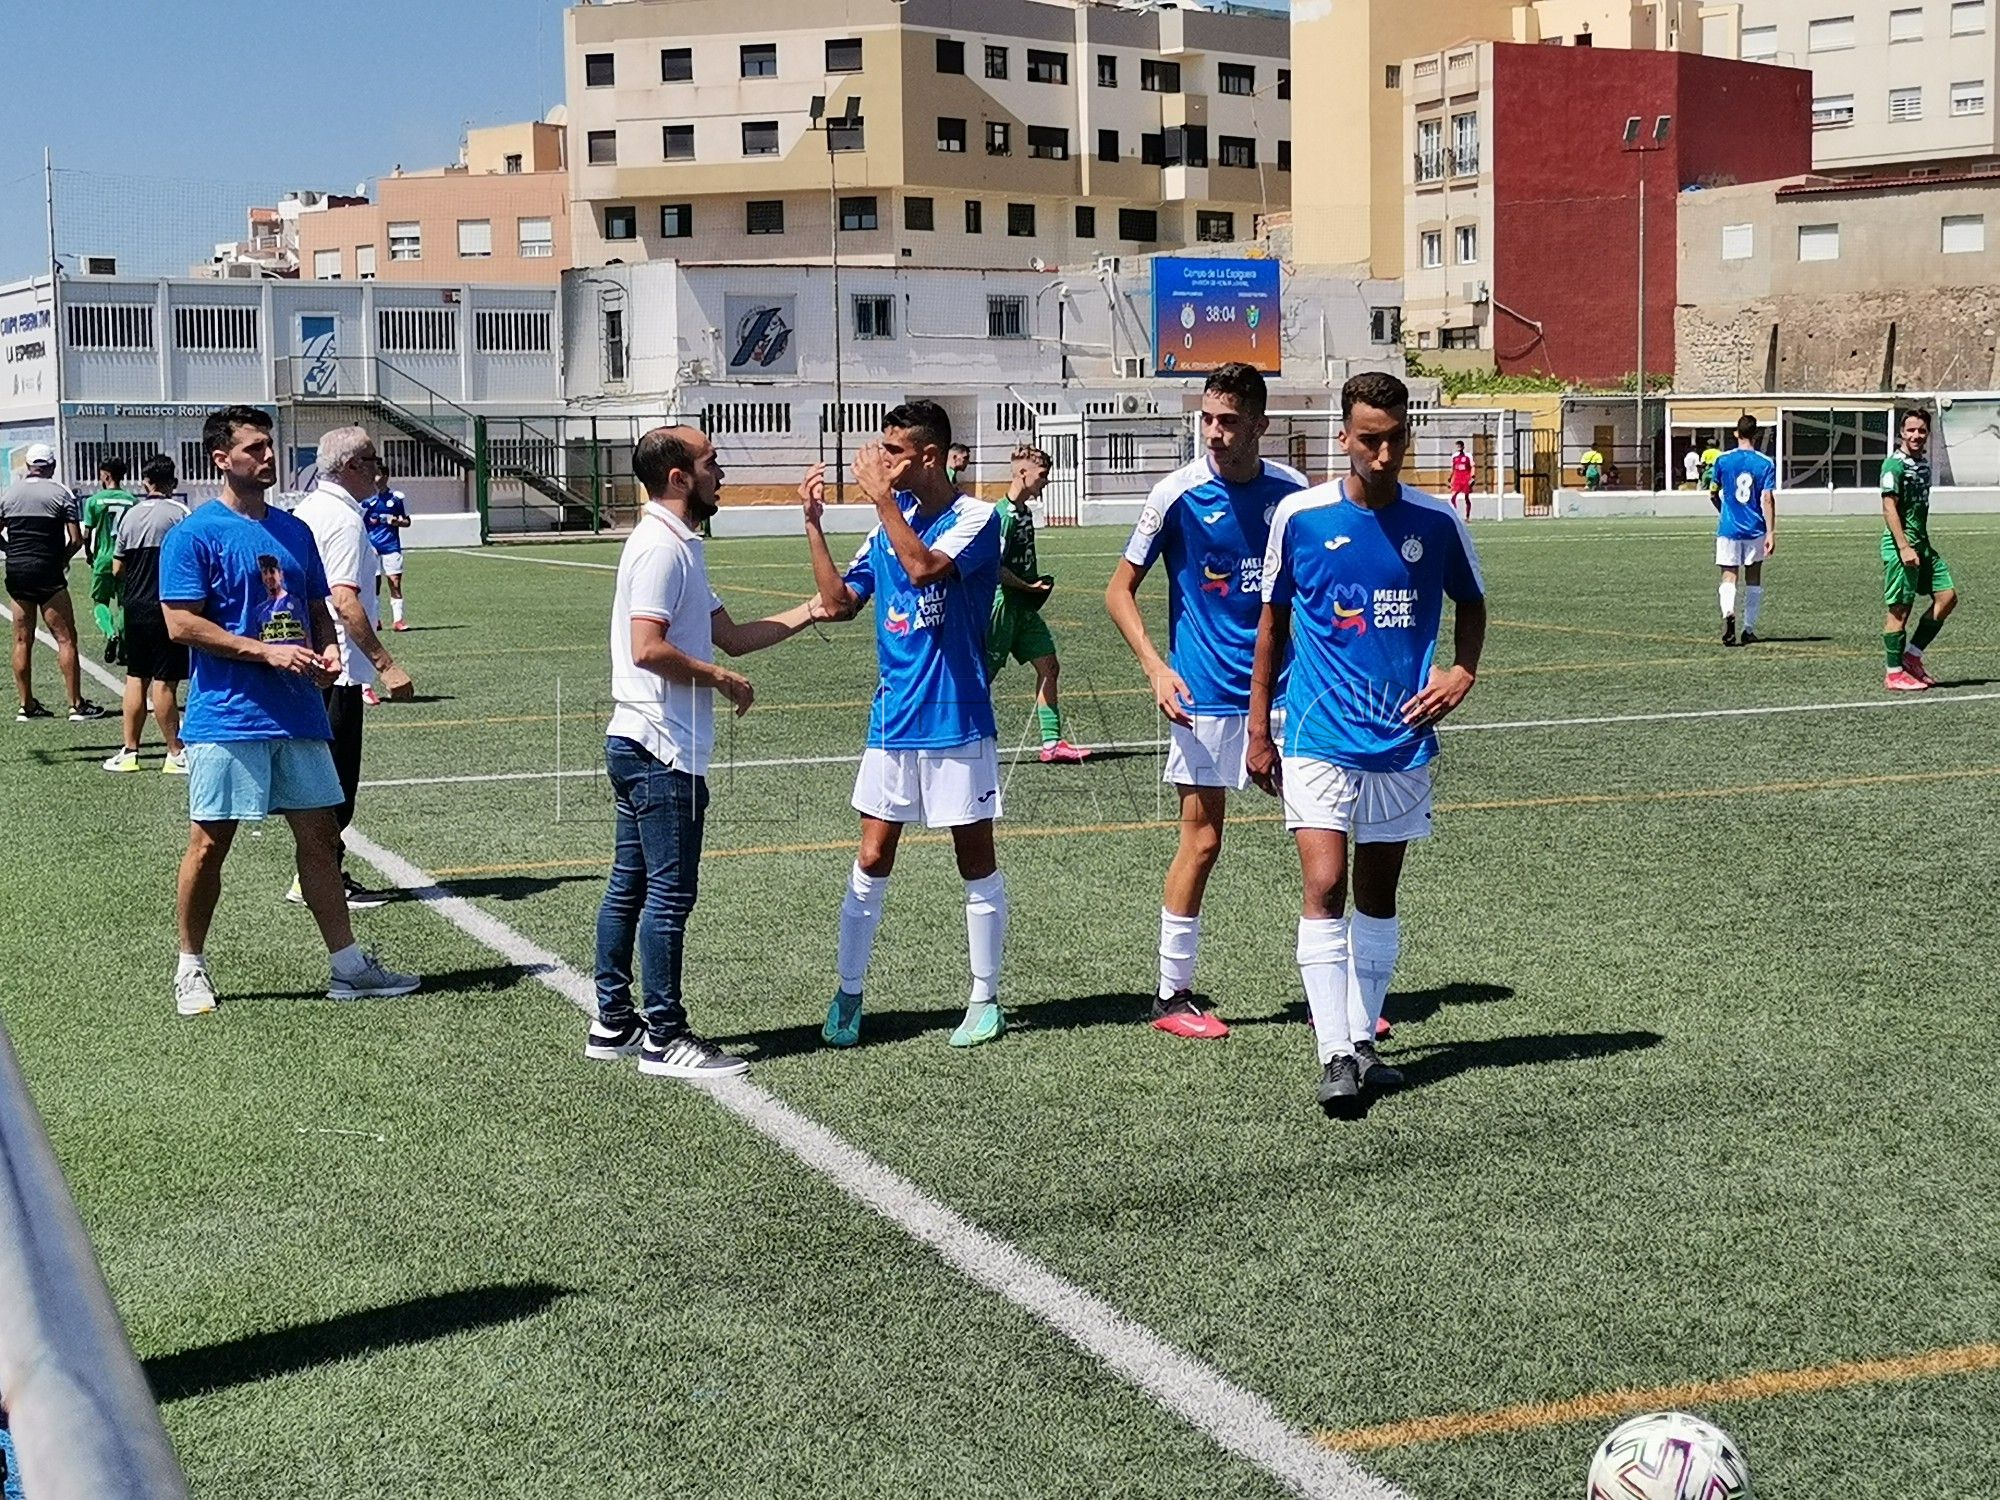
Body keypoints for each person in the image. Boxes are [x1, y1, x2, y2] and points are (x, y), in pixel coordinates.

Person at [1247, 371, 1487, 1119]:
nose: (1382, 454)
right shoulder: (1301, 516)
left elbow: (1472, 604)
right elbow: (1272, 626)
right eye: (1368, 439)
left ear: (1406, 434)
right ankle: (1335, 1053)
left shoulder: (1437, 522)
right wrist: (1259, 728)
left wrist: (1461, 672)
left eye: (1394, 439)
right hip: (1318, 734)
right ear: (1343, 437)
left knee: (1377, 896)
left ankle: (1364, 1042)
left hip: (1402, 740)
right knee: (1324, 887)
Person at [159, 406, 417, 1018]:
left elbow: (315, 603)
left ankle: (348, 967)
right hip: (229, 715)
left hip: (299, 712)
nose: (268, 457)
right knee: (209, 844)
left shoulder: (294, 529)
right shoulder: (195, 533)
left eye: (270, 447)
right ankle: (189, 966)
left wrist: (328, 647)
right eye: (253, 449)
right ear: (221, 459)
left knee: (320, 839)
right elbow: (180, 623)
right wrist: (262, 652)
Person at [586, 426, 825, 1077]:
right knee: (667, 896)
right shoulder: (661, 550)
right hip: (661, 750)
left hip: (642, 743)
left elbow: (734, 637)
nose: (722, 473)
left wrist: (812, 610)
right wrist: (719, 680)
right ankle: (665, 1037)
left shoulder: (681, 546)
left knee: (630, 888)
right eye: (712, 463)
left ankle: (613, 1023)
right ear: (678, 478)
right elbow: (647, 647)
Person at [1106, 362, 1309, 1039]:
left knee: (1322, 838)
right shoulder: (1178, 494)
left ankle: (1333, 993)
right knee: (1203, 840)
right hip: (1204, 697)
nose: (1214, 434)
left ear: (1260, 424)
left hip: (1288, 697)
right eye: (1207, 419)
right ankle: (1172, 995)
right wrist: (1156, 669)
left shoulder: (1294, 494)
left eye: (1228, 421)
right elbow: (1118, 591)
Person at [802, 400, 1008, 1050]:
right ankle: (849, 992)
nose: (879, 458)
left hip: (957, 717)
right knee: (871, 856)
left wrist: (881, 502)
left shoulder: (976, 518)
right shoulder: (886, 525)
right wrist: (813, 526)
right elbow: (839, 604)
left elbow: (922, 567)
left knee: (974, 860)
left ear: (928, 455)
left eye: (893, 450)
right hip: (892, 723)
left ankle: (984, 997)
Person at [291, 427, 415, 910]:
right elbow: (344, 599)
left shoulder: (310, 510)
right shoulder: (341, 520)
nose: (378, 468)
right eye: (370, 459)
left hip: (320, 662)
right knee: (337, 783)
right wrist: (387, 664)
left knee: (322, 779)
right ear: (348, 467)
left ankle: (316, 872)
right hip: (337, 666)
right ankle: (319, 878)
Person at [988, 444, 1087, 763]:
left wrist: (1033, 586)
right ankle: (960, 737)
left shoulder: (1025, 512)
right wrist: (1026, 584)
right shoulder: (1001, 516)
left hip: (1025, 607)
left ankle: (1052, 742)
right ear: (1021, 473)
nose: (1045, 482)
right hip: (1004, 605)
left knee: (1049, 666)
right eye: (1042, 475)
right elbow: (993, 567)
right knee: (982, 675)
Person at [1, 444, 105, 722]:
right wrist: (62, 559)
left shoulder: (9, 493)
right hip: (47, 570)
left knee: (22, 639)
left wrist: (11, 551)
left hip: (17, 570)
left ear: (28, 466)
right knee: (65, 638)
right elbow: (76, 539)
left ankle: (26, 705)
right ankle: (76, 704)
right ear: (51, 466)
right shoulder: (60, 493)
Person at [103, 455, 191, 773]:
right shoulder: (181, 514)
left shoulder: (130, 515)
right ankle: (174, 752)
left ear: (145, 482)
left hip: (135, 605)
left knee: (136, 678)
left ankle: (130, 752)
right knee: (165, 682)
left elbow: (117, 567)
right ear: (173, 482)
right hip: (167, 605)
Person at [1881, 407, 1956, 692]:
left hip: (1923, 545)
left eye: (1921, 431)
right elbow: (1888, 506)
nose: (1916, 435)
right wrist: (1903, 546)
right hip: (1902, 546)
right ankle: (1893, 673)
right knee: (1900, 610)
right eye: (1911, 430)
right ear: (1901, 432)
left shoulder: (1922, 465)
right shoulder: (1894, 465)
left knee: (1947, 596)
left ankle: (1912, 656)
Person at [1710, 414, 1778, 648]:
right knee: (1753, 578)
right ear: (1756, 434)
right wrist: (1771, 532)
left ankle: (1728, 612)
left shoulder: (1722, 460)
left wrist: (1723, 510)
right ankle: (1748, 629)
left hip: (1728, 528)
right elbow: (1766, 498)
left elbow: (1712, 492)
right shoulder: (1765, 463)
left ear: (1736, 433)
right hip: (1755, 529)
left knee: (1729, 576)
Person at [80, 457, 136, 663]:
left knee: (100, 601)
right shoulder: (132, 501)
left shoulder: (95, 501)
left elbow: (87, 533)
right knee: (124, 604)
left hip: (103, 558)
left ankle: (110, 632)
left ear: (107, 475)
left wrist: (88, 554)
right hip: (125, 560)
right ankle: (124, 647)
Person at [362, 466, 411, 635]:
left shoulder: (396, 499)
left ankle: (398, 620)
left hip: (391, 546)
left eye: (378, 474)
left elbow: (407, 521)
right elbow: (359, 522)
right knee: (374, 584)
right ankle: (375, 620)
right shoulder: (366, 500)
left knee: (395, 582)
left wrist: (396, 521)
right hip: (372, 547)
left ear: (385, 476)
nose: (375, 478)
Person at [1448, 439, 1474, 520]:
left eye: (1460, 446)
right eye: (1457, 446)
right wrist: (1450, 478)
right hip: (1457, 479)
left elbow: (1472, 466)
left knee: (1466, 497)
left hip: (1466, 479)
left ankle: (1467, 516)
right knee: (1453, 497)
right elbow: (1453, 468)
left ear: (1463, 447)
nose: (1458, 447)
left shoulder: (1468, 456)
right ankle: (1456, 515)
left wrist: (1472, 477)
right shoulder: (1454, 457)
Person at [1700, 438, 1723, 508]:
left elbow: (1702, 463)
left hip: (1707, 471)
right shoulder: (1720, 453)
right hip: (1716, 472)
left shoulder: (1706, 452)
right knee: (1717, 490)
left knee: (1703, 488)